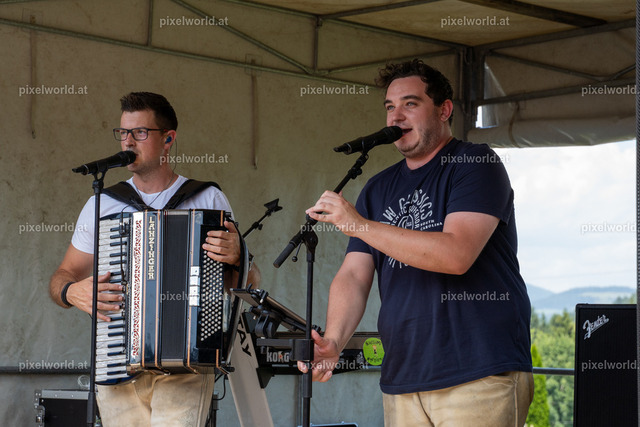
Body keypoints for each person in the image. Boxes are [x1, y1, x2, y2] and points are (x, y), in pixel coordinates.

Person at [299, 59, 534, 426]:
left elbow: (456, 255)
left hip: (478, 371)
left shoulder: (475, 163)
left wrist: (359, 225)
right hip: (403, 376)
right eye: (390, 107)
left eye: (410, 104)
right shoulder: (377, 187)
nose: (396, 116)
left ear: (444, 110)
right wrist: (333, 342)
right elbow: (354, 276)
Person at [49, 92, 259, 426]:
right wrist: (69, 292)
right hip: (118, 365)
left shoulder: (207, 198)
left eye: (140, 132)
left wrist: (238, 257)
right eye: (123, 132)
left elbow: (247, 284)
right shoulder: (103, 204)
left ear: (168, 139)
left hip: (186, 367)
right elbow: (63, 275)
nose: (128, 141)